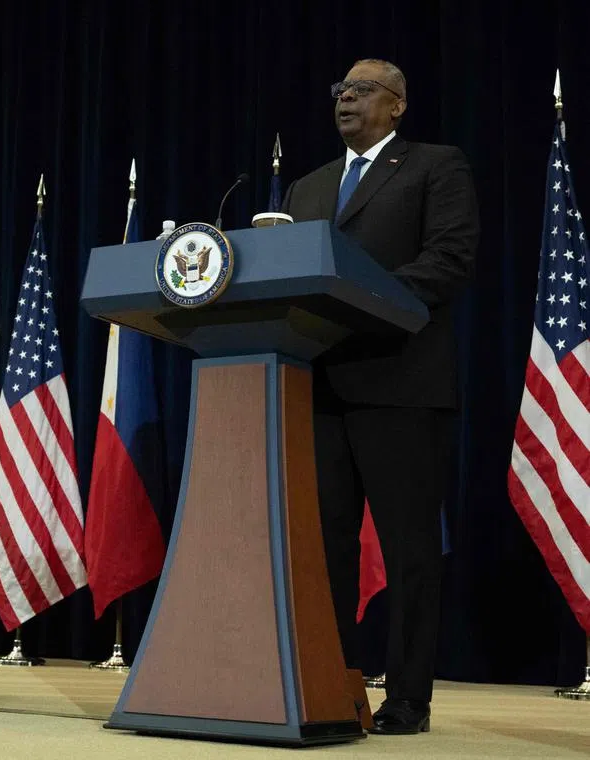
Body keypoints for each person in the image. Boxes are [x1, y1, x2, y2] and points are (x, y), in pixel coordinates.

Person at [282, 59, 479, 734]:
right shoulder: (307, 187)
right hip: (319, 387)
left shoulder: (435, 166)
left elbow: (449, 259)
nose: (346, 98)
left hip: (402, 383)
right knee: (325, 548)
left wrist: (360, 301)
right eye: (341, 90)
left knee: (409, 549)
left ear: (397, 106)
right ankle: (333, 686)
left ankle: (407, 698)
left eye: (362, 90)